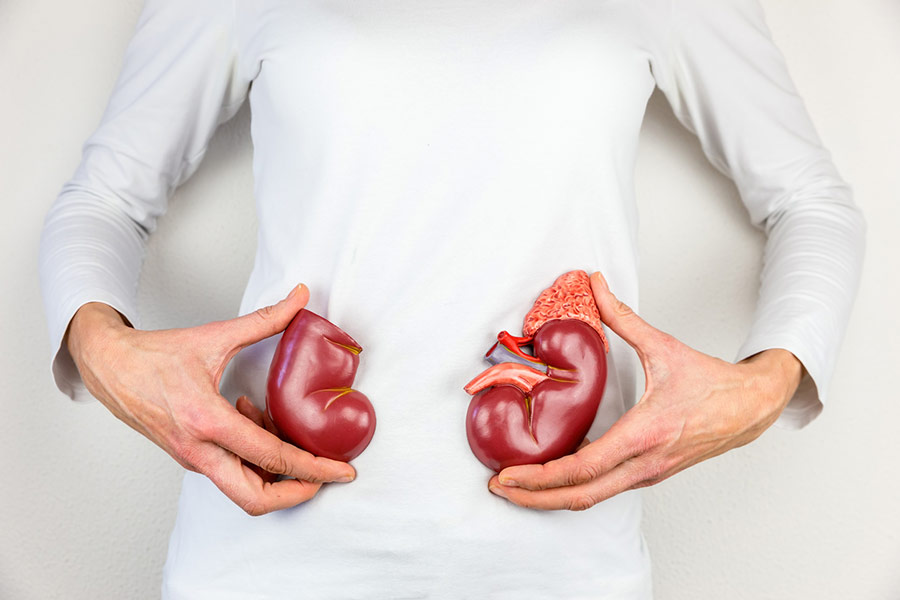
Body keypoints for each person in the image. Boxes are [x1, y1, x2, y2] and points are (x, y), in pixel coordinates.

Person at [38, 0, 866, 598]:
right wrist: (105, 353)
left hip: (561, 573)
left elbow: (811, 203)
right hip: (267, 565)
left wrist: (766, 384)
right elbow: (103, 202)